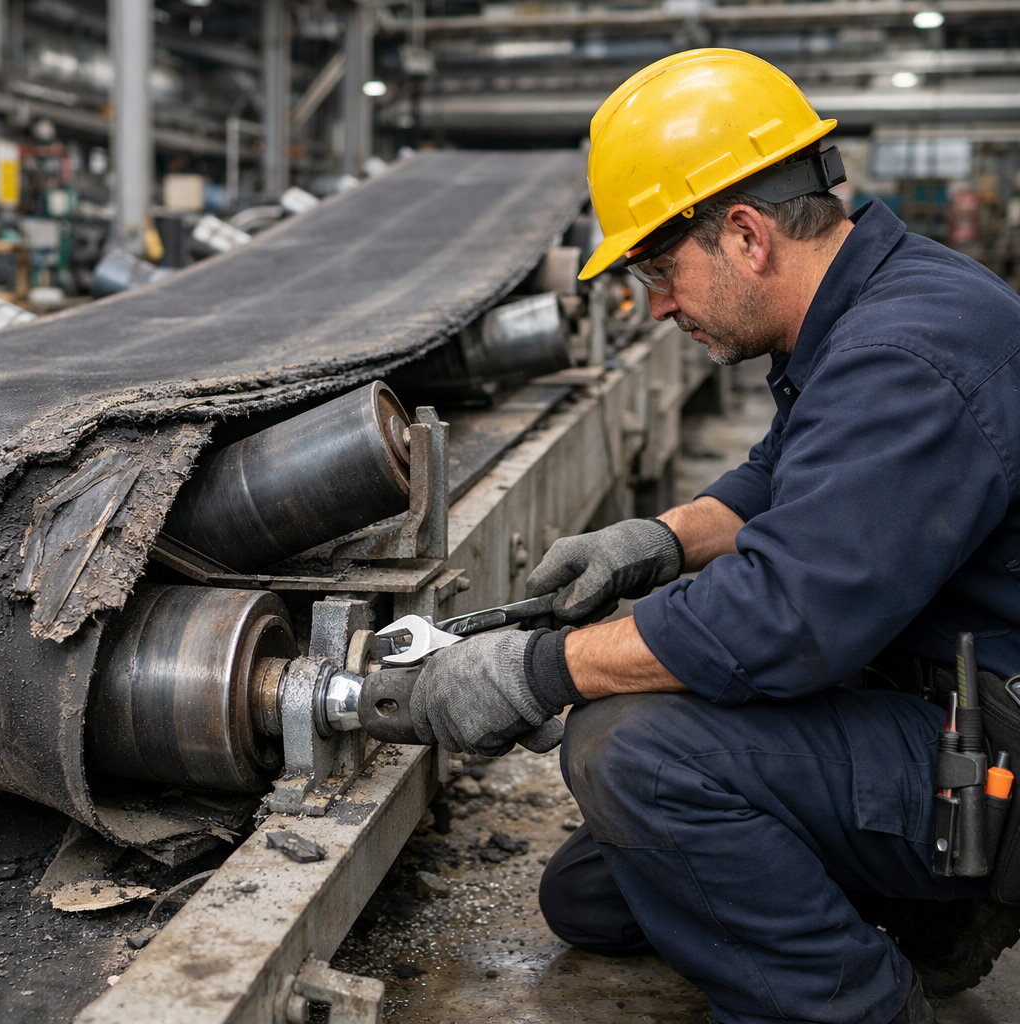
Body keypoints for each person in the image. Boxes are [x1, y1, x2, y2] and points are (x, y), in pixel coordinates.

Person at [407, 48, 1020, 1024]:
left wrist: (535, 668)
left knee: (630, 752)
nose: (656, 306)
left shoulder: (908, 353)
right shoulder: (861, 310)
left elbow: (781, 616)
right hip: (934, 691)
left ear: (745, 235)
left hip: (994, 740)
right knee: (593, 895)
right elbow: (770, 484)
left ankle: (861, 1003)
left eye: (661, 271)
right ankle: (926, 903)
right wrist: (649, 540)